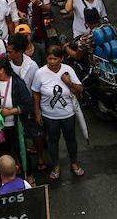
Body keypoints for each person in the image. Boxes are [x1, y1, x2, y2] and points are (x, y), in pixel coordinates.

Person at [31, 45, 84, 180]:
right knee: (52, 141)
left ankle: (74, 163)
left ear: (61, 59)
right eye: (49, 59)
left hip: (68, 114)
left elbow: (80, 89)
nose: (52, 62)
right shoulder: (40, 73)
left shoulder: (68, 70)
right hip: (49, 116)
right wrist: (37, 112)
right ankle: (55, 166)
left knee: (71, 139)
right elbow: (36, 93)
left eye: (55, 59)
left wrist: (69, 82)